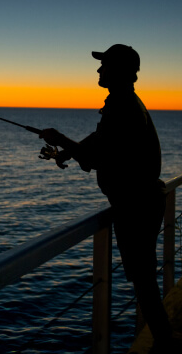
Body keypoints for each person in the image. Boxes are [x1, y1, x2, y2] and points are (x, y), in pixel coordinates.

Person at [39, 44, 179, 352]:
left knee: (142, 281)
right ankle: (165, 340)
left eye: (104, 66)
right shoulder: (123, 103)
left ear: (119, 71)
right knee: (143, 278)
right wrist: (66, 151)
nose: (99, 71)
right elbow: (100, 143)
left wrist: (61, 139)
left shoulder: (124, 107)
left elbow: (101, 152)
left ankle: (166, 344)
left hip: (136, 206)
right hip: (141, 202)